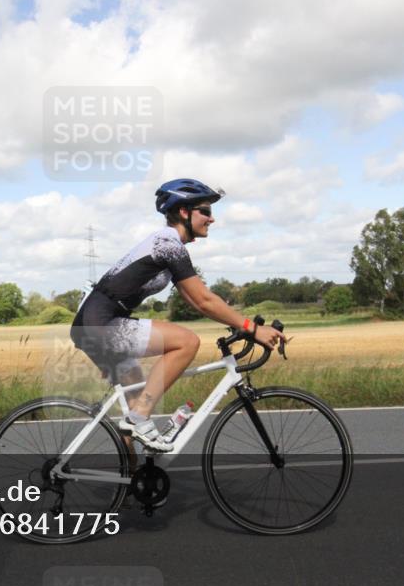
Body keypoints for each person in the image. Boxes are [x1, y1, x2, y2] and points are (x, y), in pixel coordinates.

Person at [70, 178, 286, 452]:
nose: (212, 219)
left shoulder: (167, 248)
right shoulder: (168, 244)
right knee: (186, 342)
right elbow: (204, 300)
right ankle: (138, 421)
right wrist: (252, 328)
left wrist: (238, 323)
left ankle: (132, 482)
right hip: (100, 325)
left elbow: (198, 301)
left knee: (138, 405)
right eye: (205, 211)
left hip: (92, 323)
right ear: (184, 212)